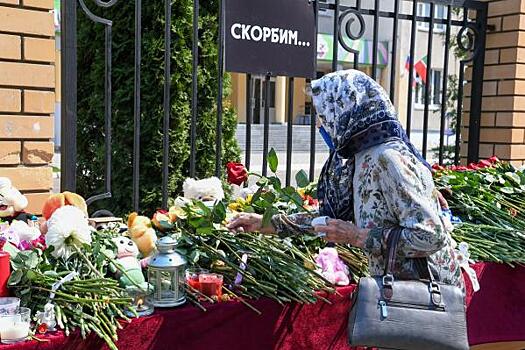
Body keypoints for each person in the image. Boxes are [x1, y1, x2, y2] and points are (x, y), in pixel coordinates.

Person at [228, 69, 462, 288]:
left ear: (347, 110)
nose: (320, 123)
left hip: (425, 296)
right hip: (397, 295)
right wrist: (265, 223)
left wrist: (357, 236)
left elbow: (431, 235)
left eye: (323, 113)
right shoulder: (360, 158)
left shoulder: (388, 159)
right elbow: (332, 222)